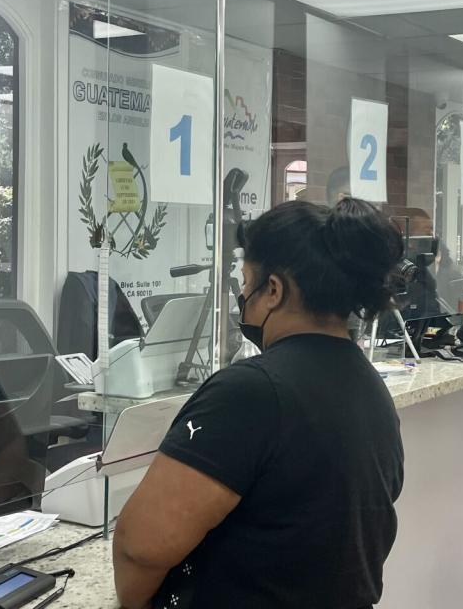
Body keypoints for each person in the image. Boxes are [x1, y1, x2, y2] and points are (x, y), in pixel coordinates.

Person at [113, 198, 406, 609]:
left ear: (273, 290)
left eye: (246, 283)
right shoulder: (369, 387)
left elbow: (139, 547)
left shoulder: (251, 393)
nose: (243, 297)